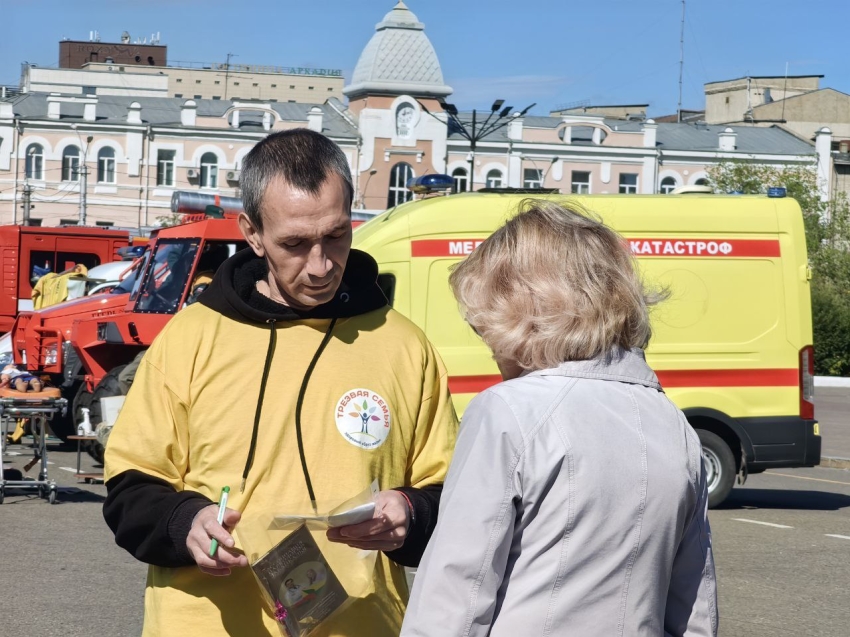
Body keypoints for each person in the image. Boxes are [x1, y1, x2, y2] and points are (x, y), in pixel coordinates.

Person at [102, 128, 458, 637]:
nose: (320, 265)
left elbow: (449, 495)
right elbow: (129, 487)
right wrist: (185, 524)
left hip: (362, 625)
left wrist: (410, 513)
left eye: (335, 235)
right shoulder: (192, 338)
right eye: (294, 243)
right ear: (252, 232)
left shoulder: (404, 345)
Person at [401, 200, 718, 637]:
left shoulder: (509, 412)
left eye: (485, 326)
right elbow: (694, 607)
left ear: (523, 313)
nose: (490, 347)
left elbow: (455, 594)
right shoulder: (674, 425)